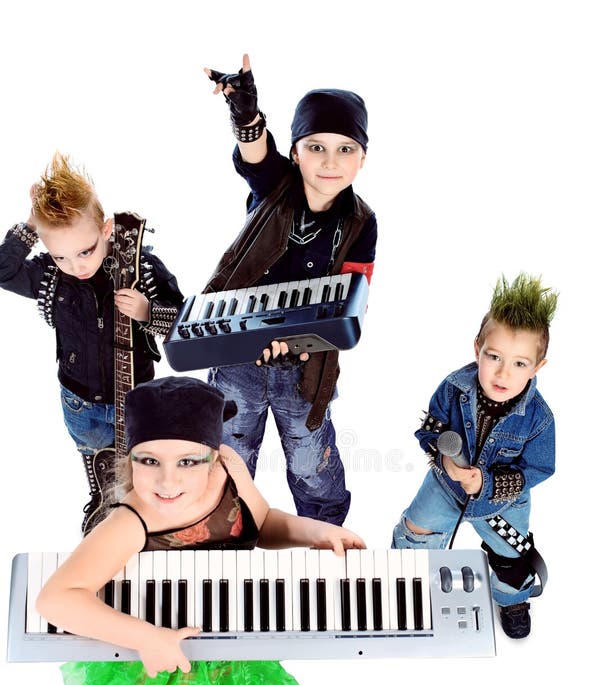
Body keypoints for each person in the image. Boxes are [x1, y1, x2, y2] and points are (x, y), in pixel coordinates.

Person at [37, 375, 365, 685]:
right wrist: (147, 637)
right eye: (150, 461)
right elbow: (55, 598)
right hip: (161, 658)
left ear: (215, 454)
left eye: (188, 461)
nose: (168, 482)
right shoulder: (131, 521)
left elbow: (260, 523)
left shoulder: (231, 470)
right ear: (131, 460)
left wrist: (310, 531)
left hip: (218, 627)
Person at [203, 54, 377, 525]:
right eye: (316, 146)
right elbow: (256, 153)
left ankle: (323, 535)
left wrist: (300, 341)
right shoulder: (275, 184)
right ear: (296, 152)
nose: (329, 161)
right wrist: (244, 114)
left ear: (363, 158)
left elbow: (350, 306)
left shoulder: (362, 222)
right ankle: (222, 532)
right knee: (229, 452)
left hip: (307, 366)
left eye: (345, 149)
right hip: (239, 356)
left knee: (310, 461)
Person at [0, 152, 183, 531]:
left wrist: (149, 312)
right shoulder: (50, 277)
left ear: (106, 231)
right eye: (61, 256)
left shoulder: (140, 270)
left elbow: (183, 323)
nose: (77, 266)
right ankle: (102, 501)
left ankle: (148, 519)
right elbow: (4, 271)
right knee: (97, 462)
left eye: (86, 251)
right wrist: (32, 225)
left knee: (142, 465)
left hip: (135, 395)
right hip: (79, 401)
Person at [391, 273, 557, 639]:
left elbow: (540, 467)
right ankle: (408, 586)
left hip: (503, 502)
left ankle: (512, 597)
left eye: (519, 363)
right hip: (446, 487)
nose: (502, 373)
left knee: (510, 555)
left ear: (537, 367)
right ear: (477, 348)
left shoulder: (540, 418)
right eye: (493, 356)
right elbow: (430, 431)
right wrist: (445, 459)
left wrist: (489, 482)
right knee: (415, 533)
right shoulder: (453, 388)